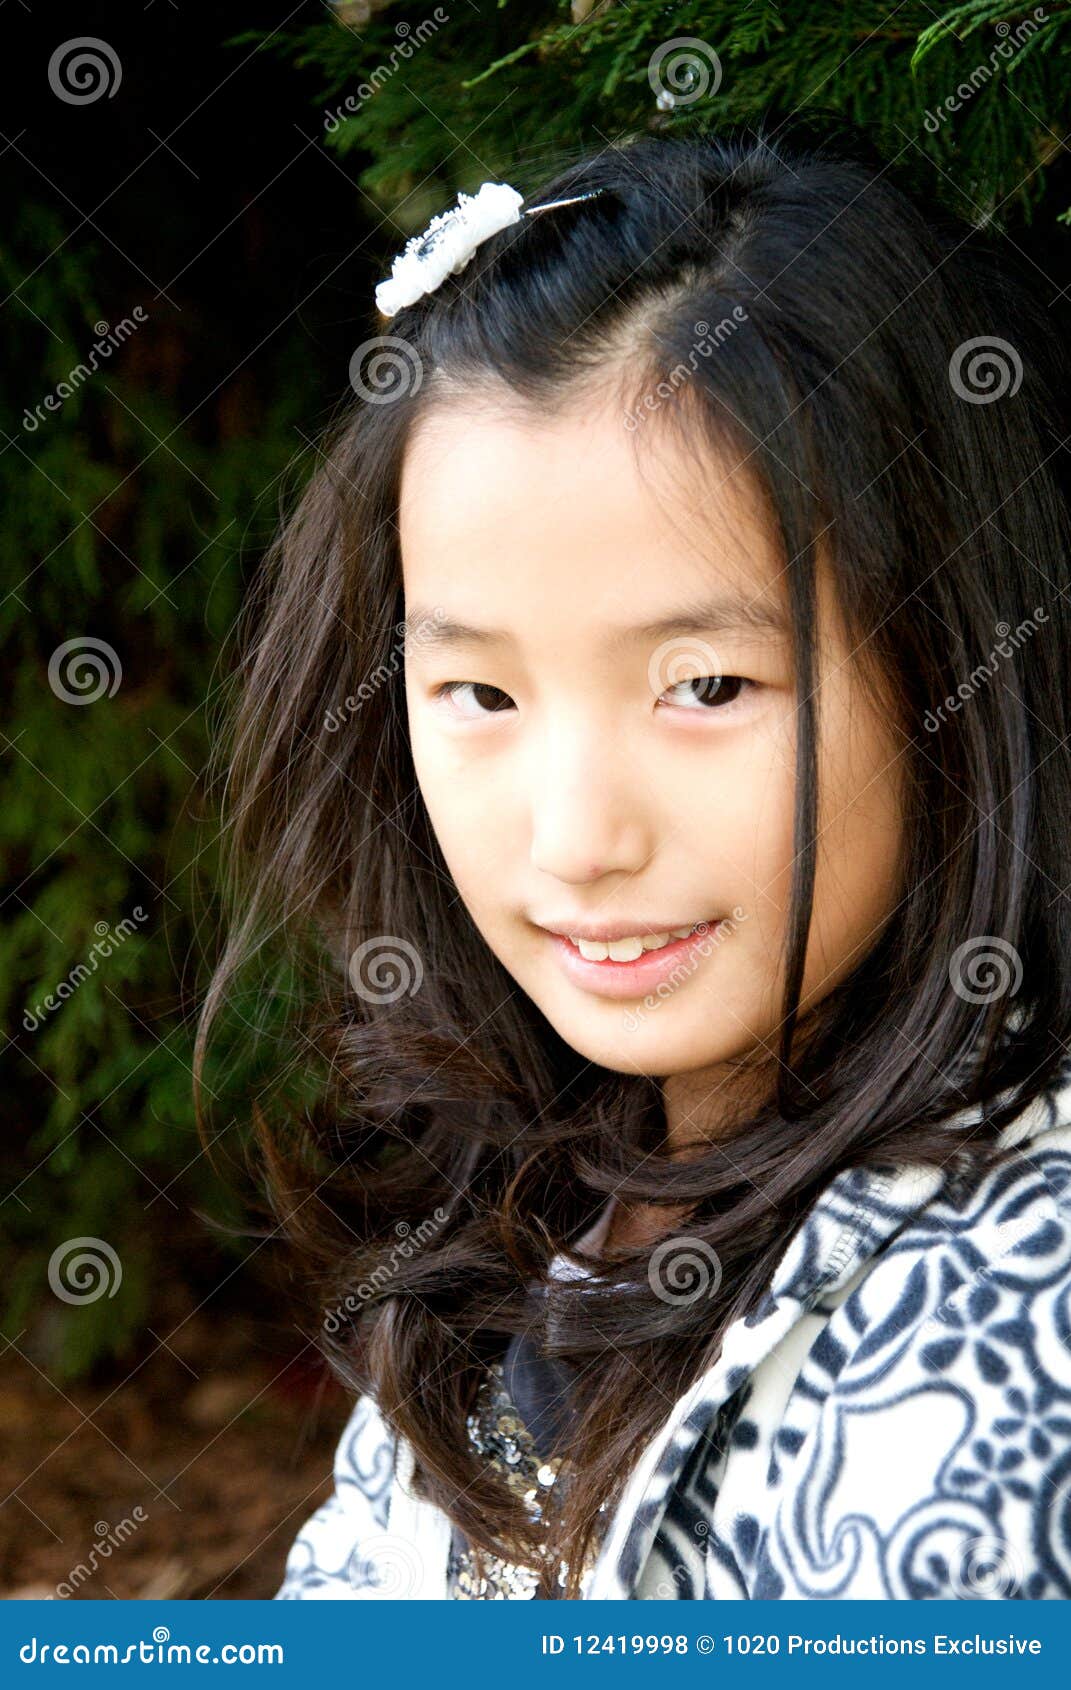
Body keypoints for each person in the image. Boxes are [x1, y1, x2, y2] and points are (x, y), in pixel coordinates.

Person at [196, 119, 1071, 1600]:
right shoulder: (545, 1202)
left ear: (951, 661)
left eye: (705, 687)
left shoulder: (1022, 1306)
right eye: (480, 693)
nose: (575, 838)